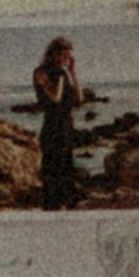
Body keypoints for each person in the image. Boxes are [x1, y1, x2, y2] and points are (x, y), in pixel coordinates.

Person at [31, 32, 90, 209]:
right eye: (64, 54)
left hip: (66, 125)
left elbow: (79, 99)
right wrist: (53, 80)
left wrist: (73, 72)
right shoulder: (41, 71)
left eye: (69, 55)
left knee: (66, 166)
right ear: (54, 53)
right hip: (52, 126)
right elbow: (55, 98)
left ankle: (66, 203)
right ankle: (54, 204)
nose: (67, 59)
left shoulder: (63, 72)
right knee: (52, 168)